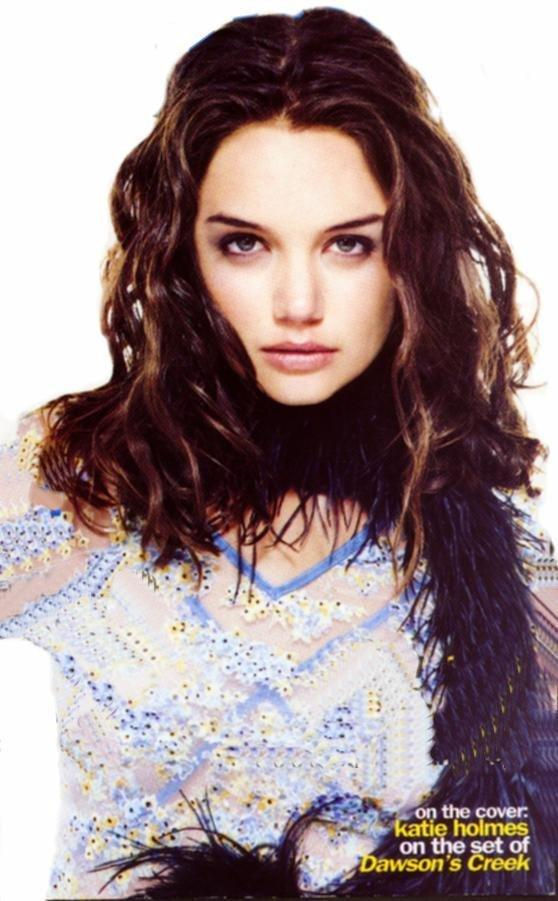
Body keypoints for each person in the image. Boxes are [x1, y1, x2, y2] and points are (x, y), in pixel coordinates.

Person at [0, 6, 556, 899]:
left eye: (349, 244)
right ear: (182, 251)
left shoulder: (495, 562)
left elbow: (516, 845)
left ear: (409, 257)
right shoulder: (73, 483)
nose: (298, 303)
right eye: (245, 243)